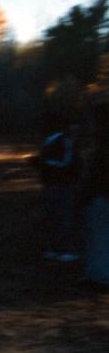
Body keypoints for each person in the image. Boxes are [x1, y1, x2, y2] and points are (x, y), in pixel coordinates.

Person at [37, 125, 82, 262]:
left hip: (49, 184)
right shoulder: (64, 141)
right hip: (63, 184)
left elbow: (44, 162)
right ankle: (66, 250)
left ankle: (53, 249)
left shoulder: (48, 141)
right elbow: (67, 162)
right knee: (65, 216)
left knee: (53, 216)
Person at [84, 101, 109, 285]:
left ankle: (99, 274)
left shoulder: (101, 146)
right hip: (100, 194)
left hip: (101, 195)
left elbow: (96, 173)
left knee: (98, 236)